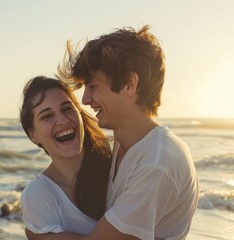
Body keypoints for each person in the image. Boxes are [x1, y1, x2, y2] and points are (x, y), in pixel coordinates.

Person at [26, 25, 199, 239]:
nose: (85, 100)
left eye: (93, 87)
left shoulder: (156, 162)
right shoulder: (124, 145)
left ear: (129, 84)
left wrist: (40, 237)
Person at [20, 76, 112, 235]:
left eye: (67, 108)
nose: (62, 120)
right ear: (33, 135)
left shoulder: (117, 167)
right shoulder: (39, 194)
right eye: (47, 116)